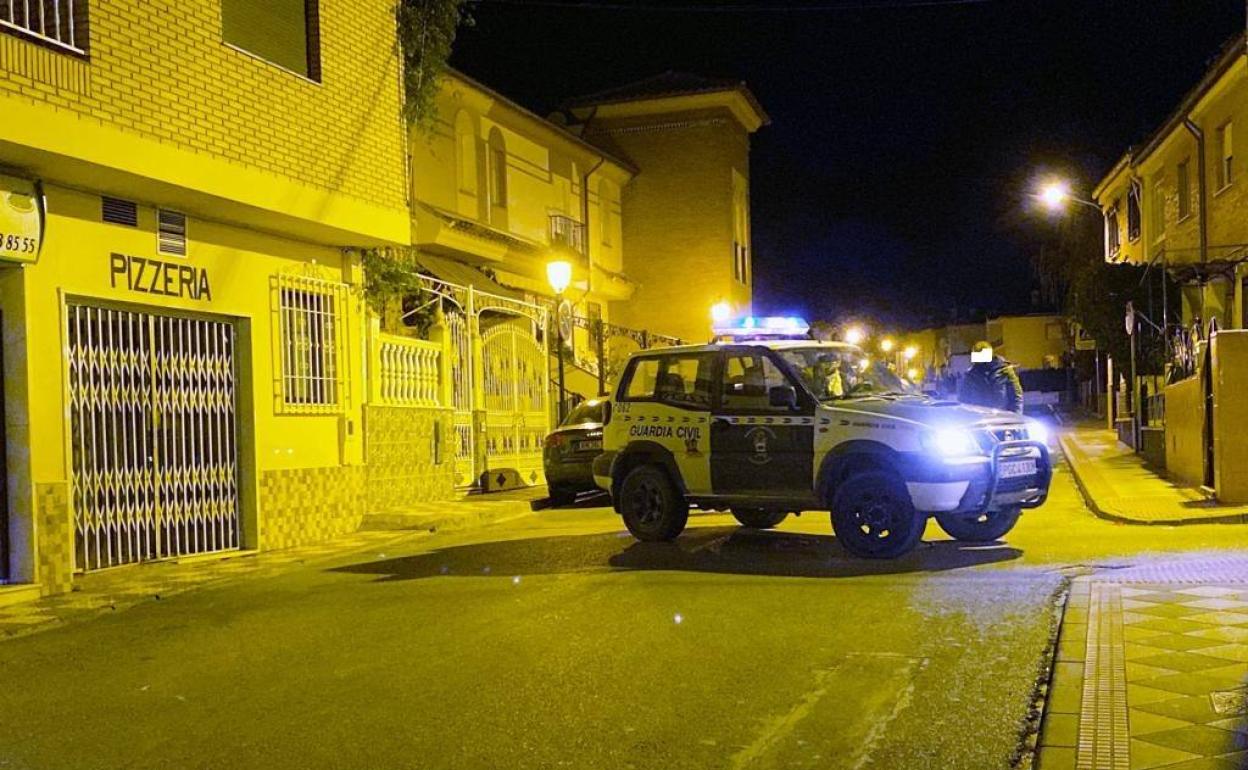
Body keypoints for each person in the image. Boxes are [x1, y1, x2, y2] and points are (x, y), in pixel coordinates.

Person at [958, 341, 1023, 413]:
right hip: (980, 419)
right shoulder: (970, 375)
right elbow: (964, 401)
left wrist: (1015, 416)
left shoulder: (1005, 370)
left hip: (1002, 417)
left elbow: (1017, 396)